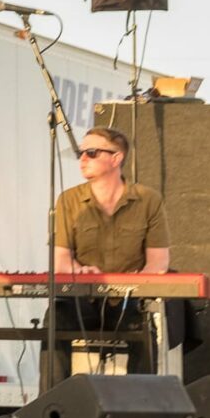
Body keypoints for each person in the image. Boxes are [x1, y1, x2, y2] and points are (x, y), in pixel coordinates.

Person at [44, 125, 171, 389]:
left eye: (91, 152)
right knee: (55, 318)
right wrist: (79, 270)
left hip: (127, 302)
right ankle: (51, 406)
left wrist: (137, 284)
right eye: (80, 153)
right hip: (83, 300)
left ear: (116, 158)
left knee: (146, 325)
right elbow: (61, 260)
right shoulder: (69, 200)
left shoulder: (148, 200)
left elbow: (158, 261)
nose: (82, 159)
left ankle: (142, 408)